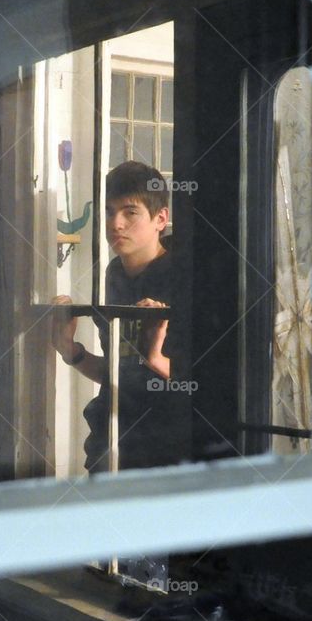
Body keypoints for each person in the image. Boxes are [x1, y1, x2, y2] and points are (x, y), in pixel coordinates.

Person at [51, 161, 183, 473]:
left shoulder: (181, 275)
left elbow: (206, 384)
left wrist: (156, 357)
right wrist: (70, 350)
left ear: (160, 219)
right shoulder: (113, 274)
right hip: (112, 442)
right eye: (109, 212)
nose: (116, 224)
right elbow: (117, 372)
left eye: (130, 212)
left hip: (164, 450)